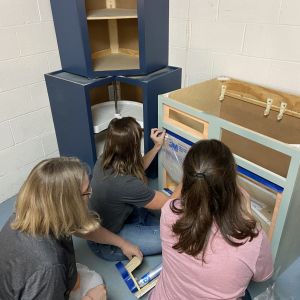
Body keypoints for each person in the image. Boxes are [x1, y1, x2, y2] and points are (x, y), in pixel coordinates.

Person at [0, 157, 142, 300]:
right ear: (67, 204)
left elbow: (82, 228)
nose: (90, 195)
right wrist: (90, 299)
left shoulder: (30, 212)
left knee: (80, 278)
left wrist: (122, 243)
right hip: (42, 278)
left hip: (21, 280)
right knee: (96, 283)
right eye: (87, 192)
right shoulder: (50, 268)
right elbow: (49, 270)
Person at [149, 139, 273, 300]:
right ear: (231, 186)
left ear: (187, 179)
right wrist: (249, 218)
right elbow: (262, 277)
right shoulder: (252, 240)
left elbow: (179, 198)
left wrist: (193, 178)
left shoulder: (169, 212)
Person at [88, 117, 180, 261]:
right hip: (106, 241)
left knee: (158, 217)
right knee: (173, 239)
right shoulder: (125, 184)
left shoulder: (104, 159)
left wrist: (157, 147)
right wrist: (188, 176)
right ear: (133, 147)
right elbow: (169, 202)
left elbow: (136, 167)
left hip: (114, 219)